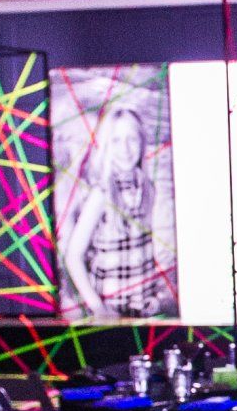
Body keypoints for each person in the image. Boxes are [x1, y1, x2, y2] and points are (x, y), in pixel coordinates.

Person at [59, 104, 173, 319]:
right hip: (111, 310)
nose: (125, 149)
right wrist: (98, 308)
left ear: (142, 143)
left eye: (132, 139)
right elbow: (73, 256)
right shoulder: (101, 194)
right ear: (106, 146)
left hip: (141, 309)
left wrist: (155, 298)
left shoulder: (147, 188)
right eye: (116, 141)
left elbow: (147, 251)